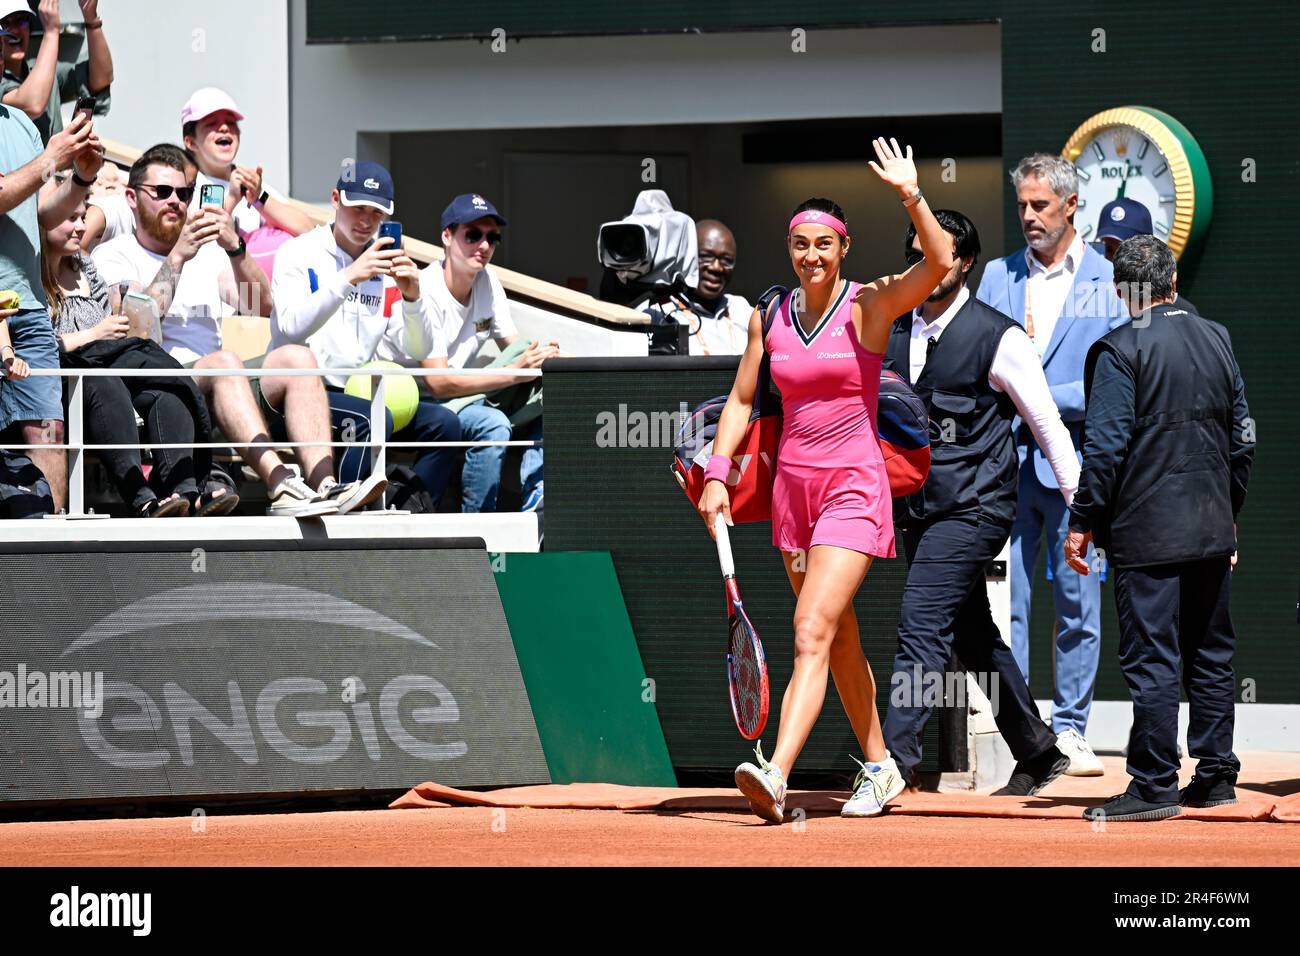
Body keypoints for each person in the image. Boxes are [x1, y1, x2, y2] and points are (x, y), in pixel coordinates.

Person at [697, 138, 956, 824]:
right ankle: (881, 767)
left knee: (811, 626)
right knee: (837, 637)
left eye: (824, 244)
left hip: (852, 489)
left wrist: (911, 192)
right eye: (800, 243)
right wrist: (718, 475)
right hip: (793, 497)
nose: (811, 255)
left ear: (843, 249)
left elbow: (938, 263)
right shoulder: (769, 317)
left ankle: (775, 772)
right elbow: (743, 401)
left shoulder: (869, 307)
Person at [881, 209, 1079, 797]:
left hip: (975, 508)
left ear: (963, 262)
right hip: (918, 509)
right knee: (972, 636)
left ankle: (892, 763)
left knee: (920, 624)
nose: (928, 265)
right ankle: (1038, 751)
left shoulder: (999, 335)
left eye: (940, 255)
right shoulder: (891, 328)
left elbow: (1047, 425)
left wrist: (1085, 511)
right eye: (918, 253)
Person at [1068, 236, 1254, 822]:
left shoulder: (1117, 348)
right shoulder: (1218, 337)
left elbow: (1102, 450)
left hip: (1146, 534)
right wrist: (1228, 514)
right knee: (1210, 654)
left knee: (1153, 658)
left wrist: (1082, 522)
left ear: (1123, 291)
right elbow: (1243, 437)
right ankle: (1217, 775)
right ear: (1172, 281)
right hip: (1209, 528)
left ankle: (1153, 786)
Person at [92, 144, 380, 516]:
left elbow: (262, 306)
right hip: (161, 389)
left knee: (297, 358)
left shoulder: (210, 254)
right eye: (162, 192)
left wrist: (236, 249)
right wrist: (177, 257)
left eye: (183, 193)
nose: (175, 202)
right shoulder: (114, 255)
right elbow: (137, 329)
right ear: (131, 198)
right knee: (225, 362)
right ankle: (280, 485)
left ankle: (324, 485)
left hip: (222, 389)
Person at [975, 153, 1127, 775]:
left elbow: (1119, 381)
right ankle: (1026, 737)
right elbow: (972, 359)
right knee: (1009, 605)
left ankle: (1072, 729)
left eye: (1040, 205)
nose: (1029, 216)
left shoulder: (1110, 278)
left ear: (1070, 205)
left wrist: (1039, 395)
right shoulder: (995, 276)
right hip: (1004, 463)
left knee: (1078, 601)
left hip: (1078, 468)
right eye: (1022, 206)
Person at [270, 162, 461, 504]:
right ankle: (340, 511)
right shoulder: (299, 252)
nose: (366, 221)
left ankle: (409, 509)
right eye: (358, 207)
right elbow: (290, 327)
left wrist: (413, 298)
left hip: (360, 389)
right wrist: (348, 277)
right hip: (303, 391)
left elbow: (415, 347)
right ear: (335, 199)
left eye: (376, 213)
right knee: (373, 419)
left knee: (445, 426)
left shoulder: (385, 266)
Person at [42, 187, 233, 516]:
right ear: (43, 222)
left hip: (102, 373)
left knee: (165, 389)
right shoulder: (25, 274)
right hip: (59, 388)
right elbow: (38, 348)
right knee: (105, 382)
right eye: (69, 218)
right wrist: (96, 333)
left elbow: (114, 332)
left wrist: (123, 319)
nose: (79, 227)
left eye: (82, 217)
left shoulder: (85, 267)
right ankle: (141, 497)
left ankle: (185, 490)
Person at [403, 193, 550, 513]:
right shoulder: (425, 287)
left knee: (552, 396)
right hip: (421, 403)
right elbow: (439, 383)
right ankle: (479, 527)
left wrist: (550, 358)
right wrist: (513, 373)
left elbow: (512, 345)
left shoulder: (488, 280)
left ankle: (536, 498)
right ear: (446, 236)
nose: (484, 246)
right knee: (493, 423)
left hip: (463, 398)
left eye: (492, 238)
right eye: (473, 235)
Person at [0, 99, 101, 514]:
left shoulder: (21, 123)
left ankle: (52, 555)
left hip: (29, 305)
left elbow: (43, 212)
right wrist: (50, 159)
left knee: (48, 431)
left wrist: (80, 176)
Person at [83, 88, 313, 268]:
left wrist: (260, 196)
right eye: (212, 124)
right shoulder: (178, 186)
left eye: (231, 123)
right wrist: (232, 198)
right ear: (191, 142)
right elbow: (196, 241)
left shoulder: (253, 185)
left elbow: (308, 231)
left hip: (242, 304)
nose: (225, 129)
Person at [0, 0, 112, 143]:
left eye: (22, 21)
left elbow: (101, 78)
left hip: (57, 165)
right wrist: (52, 31)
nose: (15, 30)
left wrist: (91, 20)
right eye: (5, 24)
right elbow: (33, 105)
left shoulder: (38, 69)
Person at [646, 219, 753, 356]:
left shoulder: (742, 311)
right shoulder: (659, 311)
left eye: (726, 260)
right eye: (706, 257)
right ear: (686, 258)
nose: (716, 267)